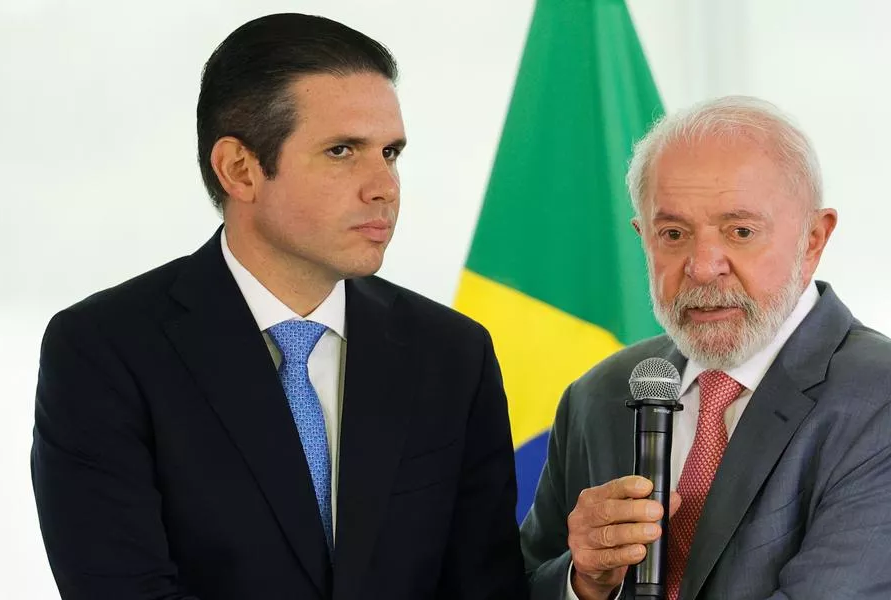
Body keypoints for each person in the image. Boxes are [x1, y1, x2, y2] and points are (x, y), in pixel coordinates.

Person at [31, 13, 526, 600]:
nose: (385, 187)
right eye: (342, 151)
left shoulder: (453, 354)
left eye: (390, 152)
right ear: (239, 170)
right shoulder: (104, 351)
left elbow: (486, 587)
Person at [519, 96, 891, 600]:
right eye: (673, 234)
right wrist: (583, 583)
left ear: (814, 239)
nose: (703, 266)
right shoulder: (596, 396)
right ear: (642, 237)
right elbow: (516, 582)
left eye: (740, 232)